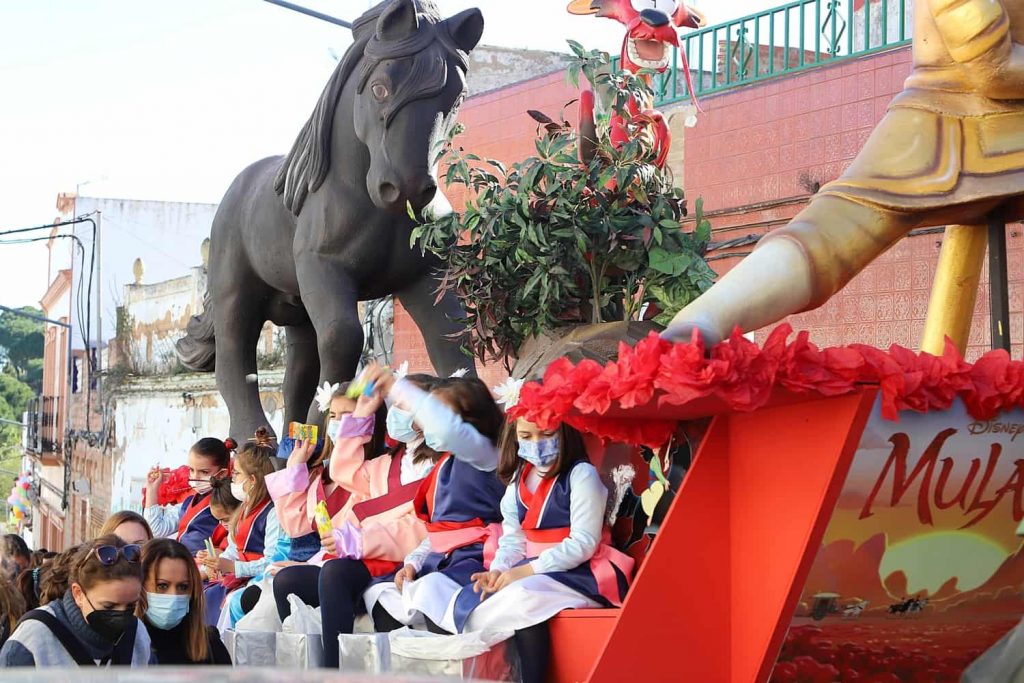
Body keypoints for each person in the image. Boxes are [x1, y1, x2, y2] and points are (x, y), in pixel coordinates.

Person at [269, 370, 438, 668]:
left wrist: (357, 542)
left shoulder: (441, 466)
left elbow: (421, 529)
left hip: (394, 559)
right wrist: (359, 414)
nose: (337, 423)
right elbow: (341, 474)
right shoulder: (383, 464)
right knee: (287, 580)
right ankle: (303, 667)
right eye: (333, 417)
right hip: (357, 556)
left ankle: (331, 672)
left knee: (334, 572)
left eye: (404, 405)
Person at [462, 418, 633, 683]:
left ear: (565, 431)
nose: (536, 443)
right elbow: (512, 540)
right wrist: (498, 570)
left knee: (523, 595)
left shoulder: (581, 474)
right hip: (535, 571)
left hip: (582, 572)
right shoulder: (518, 479)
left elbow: (584, 542)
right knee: (478, 597)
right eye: (526, 436)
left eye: (546, 434)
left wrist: (526, 571)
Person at [364, 372, 506, 635]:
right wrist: (413, 562)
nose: (427, 421)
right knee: (381, 594)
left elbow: (448, 429)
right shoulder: (444, 465)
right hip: (441, 558)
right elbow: (438, 531)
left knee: (431, 592)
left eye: (437, 412)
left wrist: (398, 388)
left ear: (469, 420)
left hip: (475, 560)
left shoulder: (486, 456)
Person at [272, 381, 388, 563]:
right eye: (333, 416)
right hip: (322, 562)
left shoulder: (379, 471)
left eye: (348, 416)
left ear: (368, 420)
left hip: (356, 565)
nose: (338, 423)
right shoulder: (320, 474)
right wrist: (294, 467)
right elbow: (294, 525)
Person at [0, 535, 151, 667]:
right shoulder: (33, 640)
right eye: (109, 605)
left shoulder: (137, 637)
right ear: (78, 594)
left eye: (131, 605)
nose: (121, 616)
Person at [198, 427, 283, 625]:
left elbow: (271, 561)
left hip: (260, 580)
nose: (232, 479)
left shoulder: (272, 513)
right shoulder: (244, 510)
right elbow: (233, 549)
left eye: (236, 474)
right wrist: (217, 564)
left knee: (229, 601)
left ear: (252, 480)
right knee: (206, 596)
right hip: (240, 576)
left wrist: (234, 567)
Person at [140, 538, 230, 665]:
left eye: (183, 587)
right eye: (162, 586)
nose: (174, 596)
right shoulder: (124, 648)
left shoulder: (211, 646)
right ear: (140, 587)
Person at [145, 437, 234, 555]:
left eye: (204, 472)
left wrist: (220, 553)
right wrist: (152, 489)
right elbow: (157, 530)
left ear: (222, 473)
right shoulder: (189, 502)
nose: (195, 476)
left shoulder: (228, 503)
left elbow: (234, 540)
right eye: (191, 470)